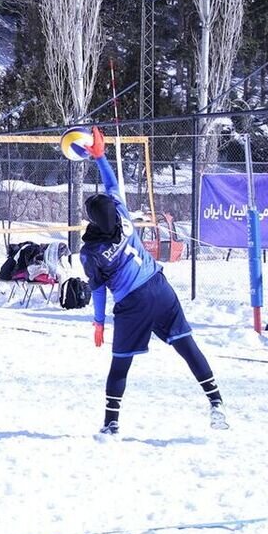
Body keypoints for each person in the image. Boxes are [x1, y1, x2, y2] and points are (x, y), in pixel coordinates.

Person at [78, 127, 226, 434]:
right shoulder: (124, 217)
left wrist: (98, 323)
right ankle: (216, 404)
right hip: (160, 288)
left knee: (120, 364)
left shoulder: (91, 251)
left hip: (134, 302)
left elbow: (99, 290)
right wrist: (101, 156)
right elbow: (112, 184)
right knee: (187, 346)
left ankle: (110, 424)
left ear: (92, 220)